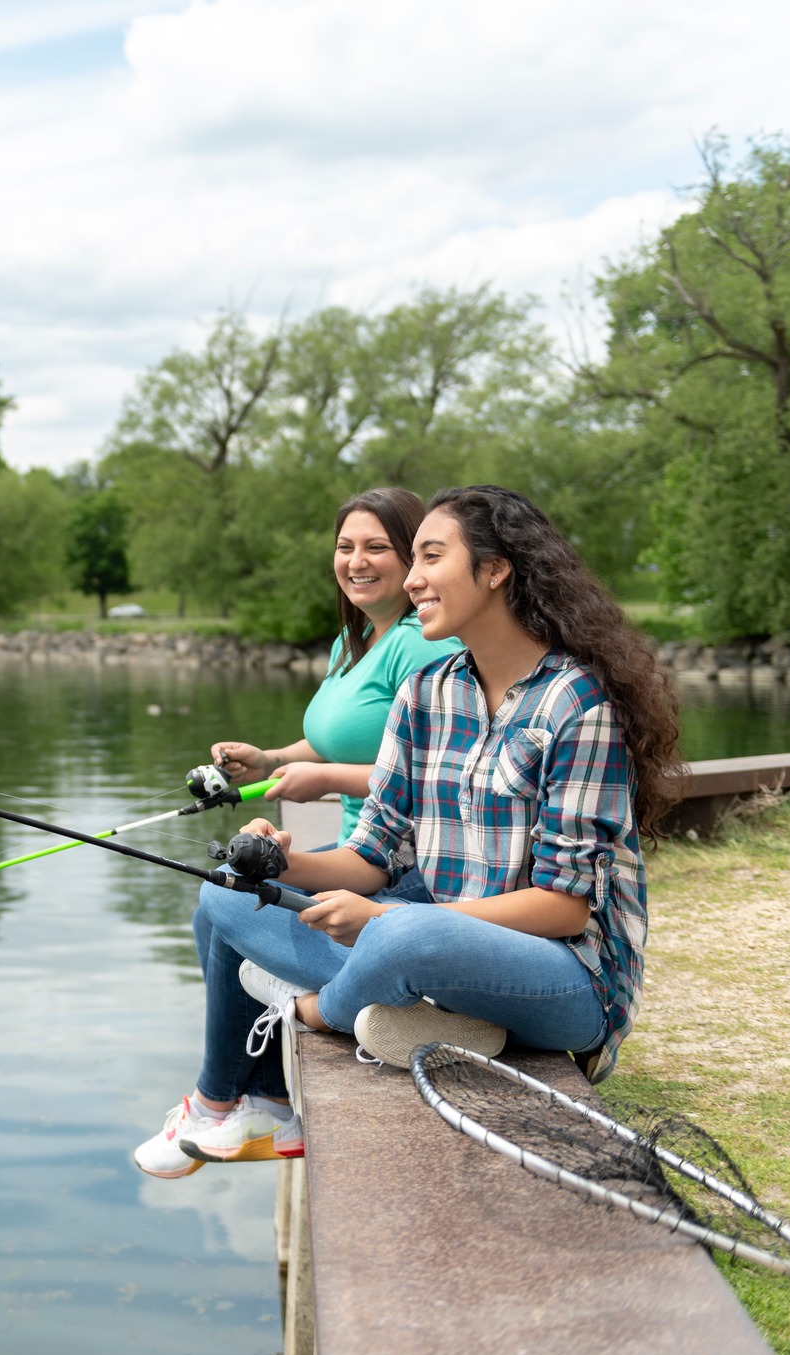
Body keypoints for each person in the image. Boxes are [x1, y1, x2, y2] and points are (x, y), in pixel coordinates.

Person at [135, 486, 683, 1181]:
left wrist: (387, 922)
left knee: (400, 928)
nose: (413, 578)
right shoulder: (426, 696)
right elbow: (372, 854)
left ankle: (323, 1011)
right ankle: (422, 1012)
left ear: (495, 569)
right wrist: (285, 861)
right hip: (434, 952)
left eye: (430, 556)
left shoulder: (576, 703)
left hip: (565, 978)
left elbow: (564, 905)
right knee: (225, 893)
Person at [135, 487, 459, 1177]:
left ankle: (224, 1100)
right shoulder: (356, 639)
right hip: (358, 854)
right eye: (345, 546)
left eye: (376, 546)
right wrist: (275, 760)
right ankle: (253, 1104)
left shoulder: (421, 647)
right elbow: (344, 738)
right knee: (224, 900)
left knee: (225, 898)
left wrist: (332, 780)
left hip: (405, 873)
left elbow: (437, 771)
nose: (357, 560)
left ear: (412, 557)